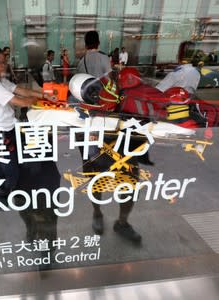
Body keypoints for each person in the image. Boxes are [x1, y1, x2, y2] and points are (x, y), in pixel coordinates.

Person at [76, 31, 141, 243]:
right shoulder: (105, 59)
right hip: (111, 121)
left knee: (92, 171)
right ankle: (122, 221)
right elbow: (114, 84)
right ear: (99, 42)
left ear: (86, 44)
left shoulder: (81, 62)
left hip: (90, 124)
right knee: (127, 171)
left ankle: (97, 213)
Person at [0, 47, 48, 202]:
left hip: (9, 127)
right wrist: (46, 101)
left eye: (4, 62)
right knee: (11, 166)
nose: (2, 65)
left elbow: (21, 90)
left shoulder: (0, 81)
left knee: (10, 160)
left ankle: (1, 181)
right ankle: (4, 194)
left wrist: (45, 95)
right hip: (0, 131)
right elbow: (20, 101)